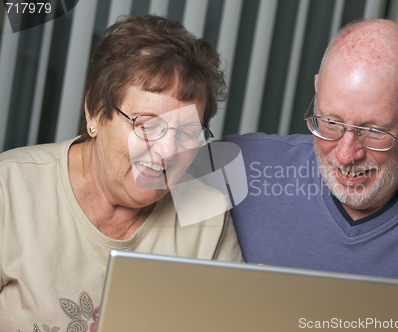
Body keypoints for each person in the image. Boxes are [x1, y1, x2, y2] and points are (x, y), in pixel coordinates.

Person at [224, 19, 398, 330]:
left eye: (373, 131)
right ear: (317, 91)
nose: (345, 154)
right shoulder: (236, 165)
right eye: (330, 121)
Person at [0, 14, 242, 331]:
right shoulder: (10, 189)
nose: (168, 151)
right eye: (147, 124)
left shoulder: (205, 217)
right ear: (96, 113)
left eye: (186, 133)